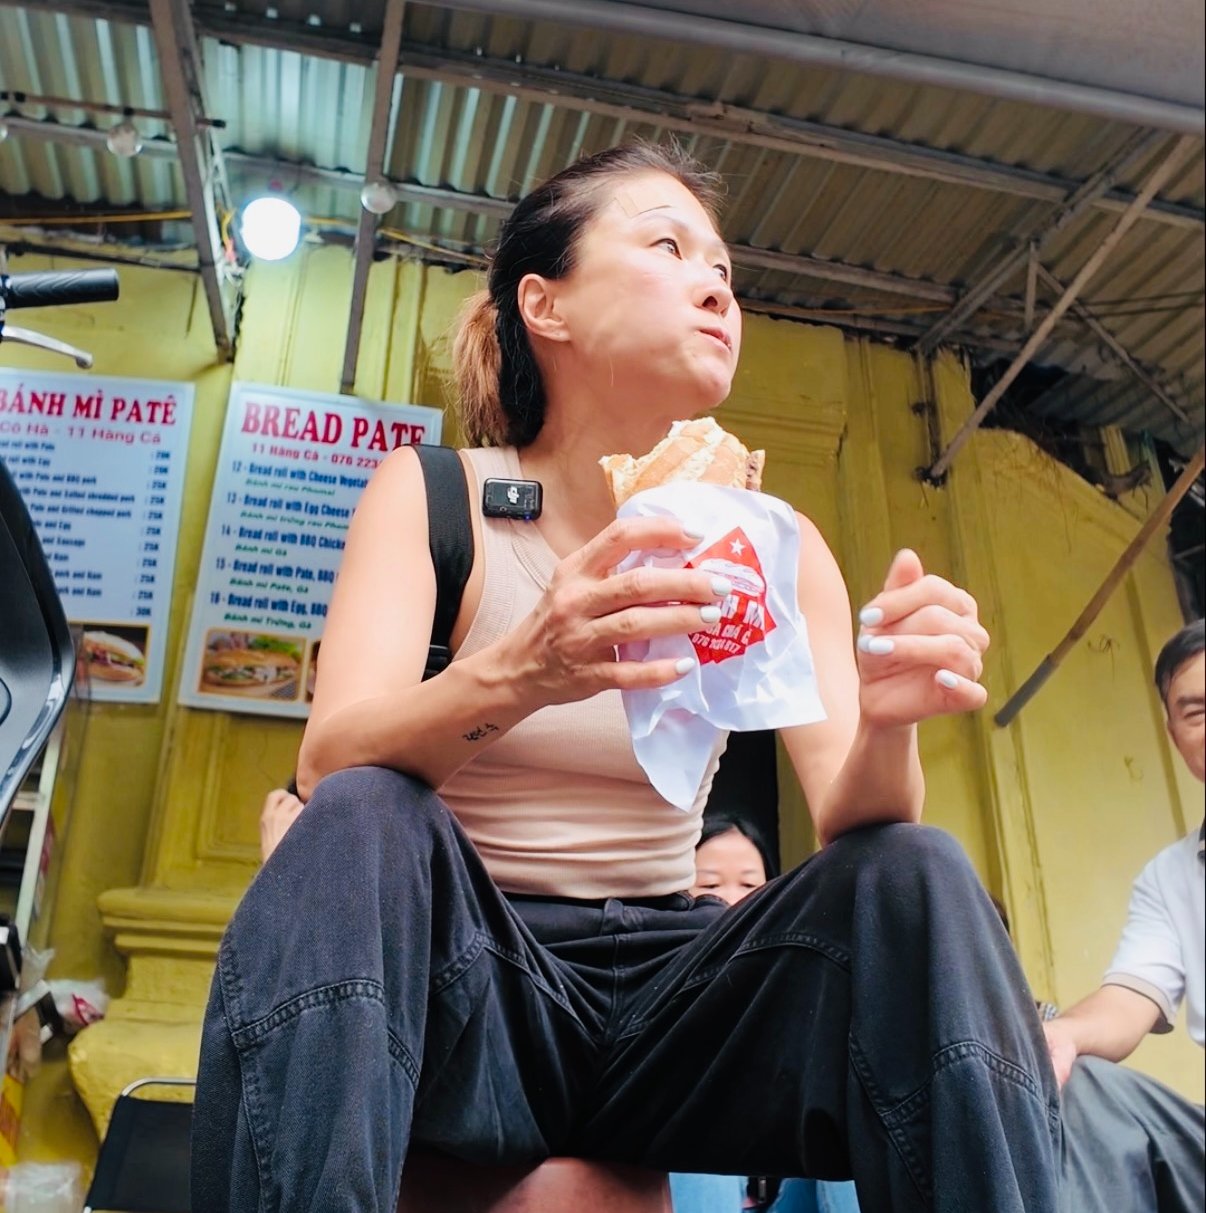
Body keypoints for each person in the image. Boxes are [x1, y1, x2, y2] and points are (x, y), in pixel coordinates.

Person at [191, 142, 1060, 1213]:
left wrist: (889, 721)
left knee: (916, 868)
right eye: (668, 246)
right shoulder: (435, 496)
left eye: (725, 271)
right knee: (364, 814)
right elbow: (330, 762)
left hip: (675, 1003)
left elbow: (853, 819)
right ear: (544, 304)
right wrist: (527, 667)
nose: (718, 289)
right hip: (477, 992)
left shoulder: (775, 543)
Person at [1042, 618, 1205, 1213]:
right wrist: (1056, 1037)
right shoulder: (1170, 877)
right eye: (1196, 712)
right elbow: (1129, 1000)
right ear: (1174, 735)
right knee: (1077, 1084)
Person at [672, 819, 862, 1213]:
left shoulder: (805, 989)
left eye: (749, 884)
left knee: (853, 1130)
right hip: (701, 1191)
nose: (730, 900)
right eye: (709, 884)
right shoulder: (656, 993)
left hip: (786, 1200)